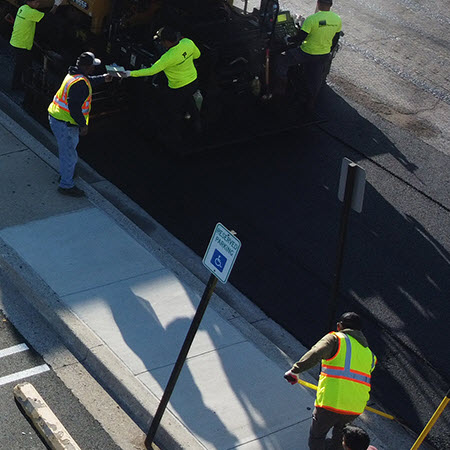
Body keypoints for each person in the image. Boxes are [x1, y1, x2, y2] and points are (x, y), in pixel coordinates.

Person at [284, 312, 377, 450]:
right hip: (355, 407)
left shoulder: (337, 338)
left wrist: (295, 371)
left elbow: (316, 353)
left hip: (331, 403)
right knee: (339, 438)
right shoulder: (370, 355)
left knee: (317, 437)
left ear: (340, 326)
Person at [123, 26, 201, 150]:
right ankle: (197, 123)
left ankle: (175, 140)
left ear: (166, 42)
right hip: (193, 82)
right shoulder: (188, 42)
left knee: (171, 112)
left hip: (178, 88)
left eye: (162, 41)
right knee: (189, 100)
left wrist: (129, 73)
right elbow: (197, 55)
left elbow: (150, 71)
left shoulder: (167, 58)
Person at [48, 52, 111, 197]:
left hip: (58, 118)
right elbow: (75, 107)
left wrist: (103, 78)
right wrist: (83, 125)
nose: (94, 69)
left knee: (68, 152)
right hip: (65, 124)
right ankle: (66, 185)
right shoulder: (79, 84)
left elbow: (88, 81)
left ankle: (67, 173)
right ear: (86, 67)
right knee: (69, 155)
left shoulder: (74, 75)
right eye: (92, 66)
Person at [274, 0, 342, 114]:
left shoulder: (312, 19)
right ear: (330, 5)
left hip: (306, 52)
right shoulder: (337, 19)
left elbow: (300, 38)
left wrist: (287, 39)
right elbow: (336, 38)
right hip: (323, 55)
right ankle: (311, 102)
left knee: (282, 61)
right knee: (315, 78)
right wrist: (328, 50)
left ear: (318, 4)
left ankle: (281, 88)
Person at [9, 0, 58, 90]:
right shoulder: (30, 12)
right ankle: (25, 88)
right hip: (22, 45)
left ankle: (17, 85)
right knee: (26, 67)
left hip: (16, 42)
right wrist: (56, 5)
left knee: (20, 66)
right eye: (36, 2)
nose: (38, 4)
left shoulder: (22, 8)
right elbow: (48, 17)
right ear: (29, 2)